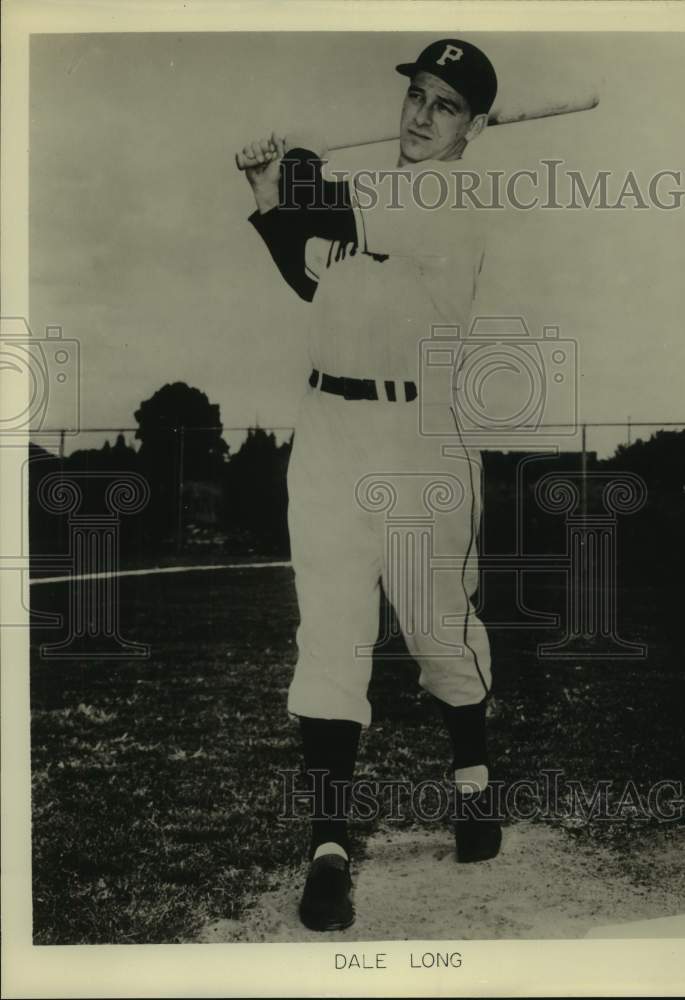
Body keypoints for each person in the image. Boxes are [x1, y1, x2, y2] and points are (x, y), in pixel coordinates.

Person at [239, 38, 501, 932]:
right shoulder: (376, 210)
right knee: (333, 634)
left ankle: (472, 782)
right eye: (417, 97)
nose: (421, 118)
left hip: (420, 438)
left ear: (475, 128)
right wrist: (270, 196)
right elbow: (306, 263)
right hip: (330, 434)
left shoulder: (457, 200)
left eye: (446, 107)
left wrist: (296, 175)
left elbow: (337, 211)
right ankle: (329, 850)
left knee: (438, 632)